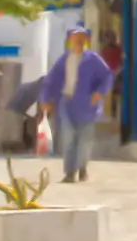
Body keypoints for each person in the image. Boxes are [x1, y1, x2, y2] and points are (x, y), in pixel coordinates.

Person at [40, 39, 114, 183]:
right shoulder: (64, 60)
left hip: (87, 105)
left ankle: (82, 168)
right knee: (68, 138)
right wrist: (45, 99)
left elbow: (106, 76)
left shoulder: (92, 59)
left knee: (85, 139)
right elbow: (50, 80)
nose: (77, 43)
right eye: (74, 39)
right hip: (67, 103)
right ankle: (70, 172)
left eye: (80, 39)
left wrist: (99, 92)